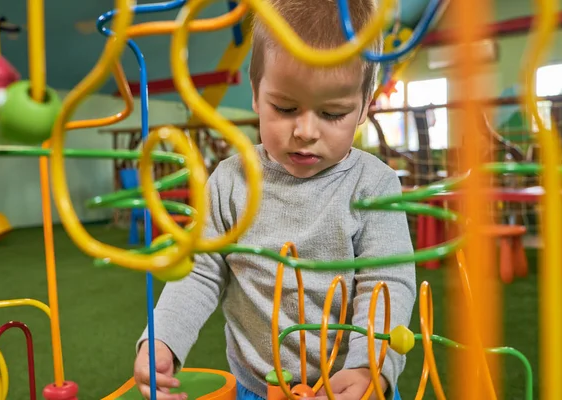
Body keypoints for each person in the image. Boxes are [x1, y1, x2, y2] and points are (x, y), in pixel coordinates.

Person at [133, 0, 416, 399]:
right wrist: (162, 340)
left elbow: (387, 282)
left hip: (355, 385)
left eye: (332, 113)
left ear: (365, 107)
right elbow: (199, 271)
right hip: (258, 387)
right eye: (284, 107)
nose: (304, 130)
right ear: (255, 94)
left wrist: (371, 366)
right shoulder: (231, 181)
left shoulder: (374, 184)